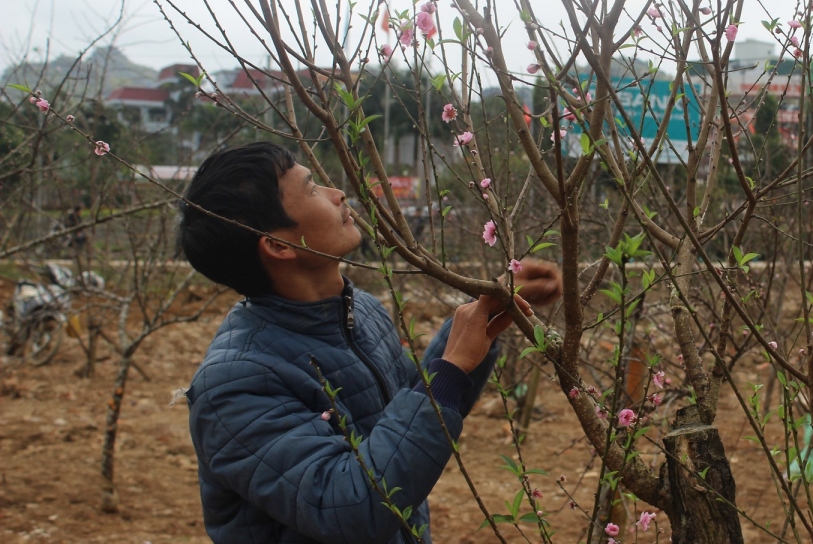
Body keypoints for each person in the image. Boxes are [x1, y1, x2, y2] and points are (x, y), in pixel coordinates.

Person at [177, 142, 561, 544]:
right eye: (311, 189)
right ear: (278, 245)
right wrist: (452, 365)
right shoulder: (235, 384)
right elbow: (351, 507)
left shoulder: (359, 310)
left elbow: (410, 412)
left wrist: (480, 319)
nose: (336, 193)